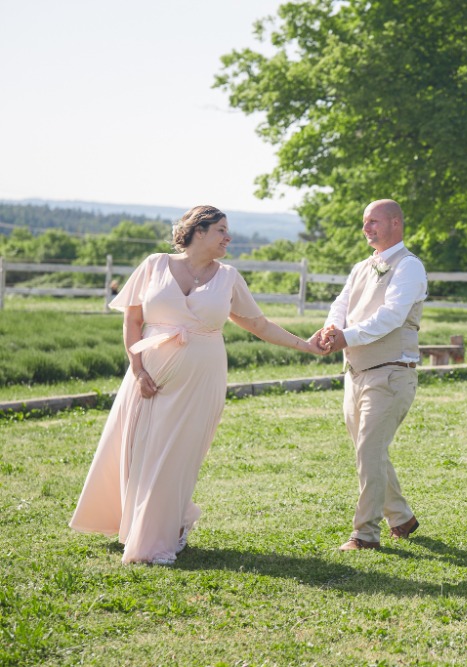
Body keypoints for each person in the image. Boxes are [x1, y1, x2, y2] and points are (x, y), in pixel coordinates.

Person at [69, 205, 327, 565]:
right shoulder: (154, 265)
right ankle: (151, 524)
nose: (228, 237)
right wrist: (138, 369)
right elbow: (133, 320)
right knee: (137, 449)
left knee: (176, 456)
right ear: (198, 231)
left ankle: (155, 539)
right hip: (148, 377)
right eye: (221, 229)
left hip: (200, 382)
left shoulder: (229, 277)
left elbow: (260, 325)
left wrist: (307, 345)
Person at [319, 199, 427, 551]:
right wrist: (331, 328)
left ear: (395, 223)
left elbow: (392, 316)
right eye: (364, 222)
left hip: (392, 372)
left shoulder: (409, 267)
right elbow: (342, 303)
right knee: (370, 451)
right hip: (356, 372)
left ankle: (365, 535)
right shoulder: (362, 267)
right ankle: (401, 516)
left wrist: (345, 337)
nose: (366, 228)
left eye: (373, 221)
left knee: (368, 450)